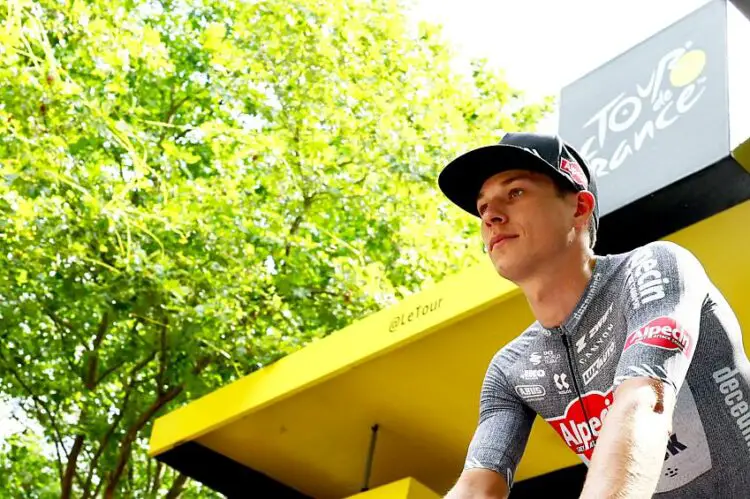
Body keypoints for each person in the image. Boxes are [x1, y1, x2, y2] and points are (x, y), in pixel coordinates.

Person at [437, 132, 750, 499]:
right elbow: (477, 485)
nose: (491, 215)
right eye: (482, 207)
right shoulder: (511, 366)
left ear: (580, 207)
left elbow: (644, 402)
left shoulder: (652, 267)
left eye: (515, 192)